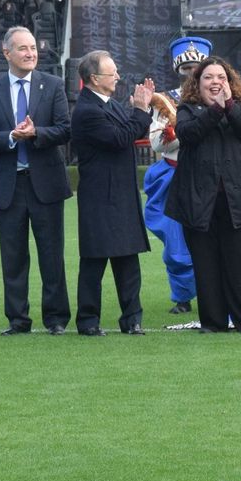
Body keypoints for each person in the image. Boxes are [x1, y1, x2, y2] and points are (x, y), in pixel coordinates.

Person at [168, 57, 241, 333]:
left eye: (221, 78)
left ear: (230, 83)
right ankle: (213, 322)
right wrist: (215, 111)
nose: (215, 82)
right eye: (208, 77)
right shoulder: (187, 110)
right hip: (198, 200)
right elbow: (188, 134)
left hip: (237, 200)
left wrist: (228, 106)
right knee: (205, 264)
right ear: (197, 83)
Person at [0, 26, 72, 334]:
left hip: (46, 183)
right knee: (13, 256)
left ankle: (56, 319)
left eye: (33, 48)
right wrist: (11, 137)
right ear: (7, 53)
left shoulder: (53, 85)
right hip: (9, 185)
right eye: (23, 48)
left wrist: (36, 134)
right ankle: (18, 320)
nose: (31, 53)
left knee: (52, 255)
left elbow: (64, 129)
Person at [71, 51, 156, 335]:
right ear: (94, 79)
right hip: (100, 197)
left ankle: (132, 319)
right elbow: (121, 138)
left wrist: (139, 112)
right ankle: (88, 321)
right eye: (112, 73)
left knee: (128, 259)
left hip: (120, 195)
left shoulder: (109, 105)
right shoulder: (87, 110)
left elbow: (131, 130)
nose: (118, 76)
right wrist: (141, 111)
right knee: (95, 261)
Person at [143, 36, 209, 314]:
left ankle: (214, 291)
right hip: (174, 176)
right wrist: (191, 132)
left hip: (208, 177)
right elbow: (158, 142)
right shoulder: (166, 101)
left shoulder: (220, 96)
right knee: (176, 242)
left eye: (198, 67)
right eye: (187, 68)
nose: (192, 73)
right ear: (178, 69)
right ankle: (182, 296)